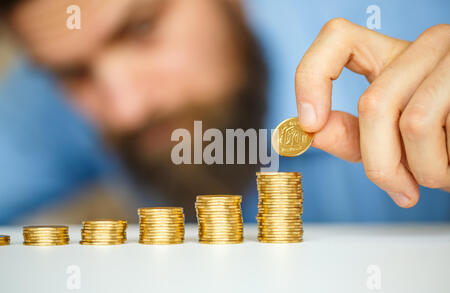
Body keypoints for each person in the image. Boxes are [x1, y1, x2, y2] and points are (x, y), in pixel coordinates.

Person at [0, 0, 448, 224]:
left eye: (142, 29)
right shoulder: (48, 96)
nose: (126, 110)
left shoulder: (421, 24)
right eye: (73, 73)